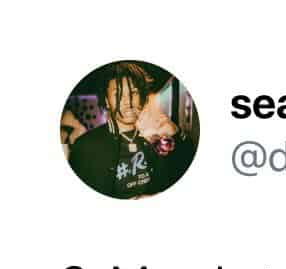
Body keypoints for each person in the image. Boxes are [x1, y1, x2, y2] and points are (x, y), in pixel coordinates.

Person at [67, 61, 195, 200]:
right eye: (118, 94)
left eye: (134, 92)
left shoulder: (155, 136)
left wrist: (176, 133)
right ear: (107, 101)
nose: (128, 101)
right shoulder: (85, 147)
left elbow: (184, 168)